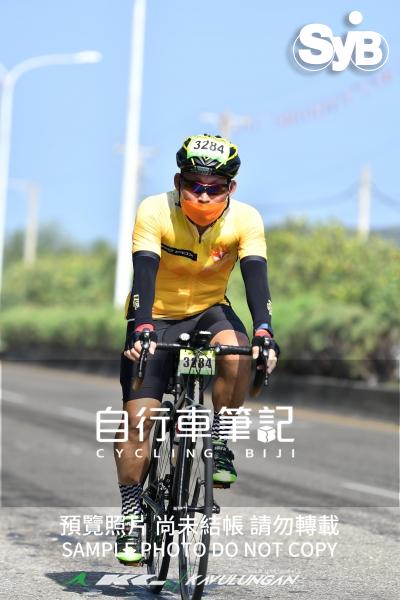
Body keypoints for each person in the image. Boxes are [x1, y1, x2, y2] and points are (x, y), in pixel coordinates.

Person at [114, 133, 280, 565]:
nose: (203, 196)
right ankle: (131, 513)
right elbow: (143, 270)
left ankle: (219, 439)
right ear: (178, 181)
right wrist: (141, 326)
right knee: (138, 419)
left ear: (231, 188)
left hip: (210, 311)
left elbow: (256, 278)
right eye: (194, 185)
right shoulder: (155, 209)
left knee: (238, 350)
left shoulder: (246, 219)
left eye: (215, 188)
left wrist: (264, 330)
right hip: (156, 314)